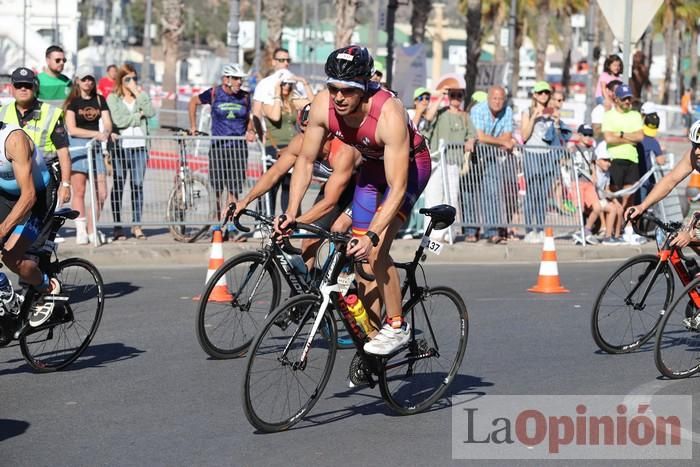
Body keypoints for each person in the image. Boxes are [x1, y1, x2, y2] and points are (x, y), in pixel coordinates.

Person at [278, 45, 432, 355]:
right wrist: (292, 212)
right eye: (333, 87)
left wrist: (374, 234)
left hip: (410, 168)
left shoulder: (388, 112)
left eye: (347, 90)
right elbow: (305, 161)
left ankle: (398, 326)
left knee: (374, 251)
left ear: (364, 88)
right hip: (372, 169)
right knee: (361, 260)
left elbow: (398, 186)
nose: (338, 97)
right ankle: (373, 339)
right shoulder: (323, 106)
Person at [236, 109, 361, 270]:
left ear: (327, 132)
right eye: (302, 130)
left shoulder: (343, 151)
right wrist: (245, 201)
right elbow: (275, 172)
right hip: (336, 187)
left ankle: (347, 274)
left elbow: (330, 202)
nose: (305, 136)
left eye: (310, 131)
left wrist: (295, 224)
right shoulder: (302, 142)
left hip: (362, 188)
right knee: (309, 240)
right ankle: (306, 292)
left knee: (339, 227)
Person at [0, 122, 61, 327]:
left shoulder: (13, 140)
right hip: (5, 195)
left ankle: (47, 286)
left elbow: (29, 197)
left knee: (11, 257)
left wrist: (2, 230)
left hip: (37, 197)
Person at [188, 64, 255, 241]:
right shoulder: (214, 93)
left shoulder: (246, 97)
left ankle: (231, 226)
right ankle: (217, 226)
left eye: (241, 79)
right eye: (237, 78)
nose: (240, 82)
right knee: (217, 189)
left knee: (233, 190)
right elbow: (193, 102)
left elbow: (249, 118)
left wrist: (251, 130)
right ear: (226, 79)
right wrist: (193, 126)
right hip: (218, 147)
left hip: (238, 149)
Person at [0, 67, 72, 208]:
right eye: (18, 85)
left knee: (35, 230)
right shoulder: (2, 112)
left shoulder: (51, 113)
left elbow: (63, 152)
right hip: (10, 177)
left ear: (35, 87)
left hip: (43, 177)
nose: (23, 89)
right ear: (12, 88)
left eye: (27, 85)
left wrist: (66, 184)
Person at [628, 120, 700, 249]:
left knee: (691, 235)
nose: (697, 151)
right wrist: (642, 206)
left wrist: (692, 233)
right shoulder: (693, 157)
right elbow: (670, 180)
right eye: (695, 145)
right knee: (684, 239)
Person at [64, 65, 112, 245]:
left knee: (102, 192)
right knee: (80, 190)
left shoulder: (100, 100)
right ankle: (81, 229)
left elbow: (107, 122)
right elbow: (72, 128)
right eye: (84, 79)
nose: (88, 82)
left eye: (90, 79)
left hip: (96, 148)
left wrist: (107, 131)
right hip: (78, 147)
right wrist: (95, 134)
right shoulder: (73, 102)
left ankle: (93, 227)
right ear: (78, 80)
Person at [106, 64, 155, 240]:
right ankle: (117, 225)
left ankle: (137, 225)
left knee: (137, 186)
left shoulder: (141, 96)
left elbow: (150, 112)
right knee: (119, 185)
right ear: (120, 80)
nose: (132, 82)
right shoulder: (113, 98)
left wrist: (139, 94)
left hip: (140, 147)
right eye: (128, 79)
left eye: (134, 78)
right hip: (121, 147)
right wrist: (137, 116)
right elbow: (119, 121)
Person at [422, 87, 475, 242]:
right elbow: (428, 117)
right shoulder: (441, 112)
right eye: (453, 95)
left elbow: (472, 135)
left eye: (459, 95)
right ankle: (431, 234)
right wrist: (441, 97)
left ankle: (446, 233)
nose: (456, 98)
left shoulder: (465, 116)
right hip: (437, 159)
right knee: (433, 196)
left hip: (454, 161)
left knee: (451, 198)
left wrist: (471, 140)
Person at [261, 74, 313, 216]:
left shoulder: (293, 102)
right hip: (275, 147)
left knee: (288, 186)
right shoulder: (268, 103)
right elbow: (276, 116)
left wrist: (304, 83)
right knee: (271, 186)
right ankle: (266, 219)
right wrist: (277, 93)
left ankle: (287, 218)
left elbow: (313, 105)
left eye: (289, 84)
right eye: (284, 84)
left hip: (291, 147)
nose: (287, 87)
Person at [469, 85, 514, 244]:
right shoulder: (478, 110)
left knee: (493, 193)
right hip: (474, 154)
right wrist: (502, 141)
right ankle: (470, 231)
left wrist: (501, 140)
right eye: (494, 98)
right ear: (488, 98)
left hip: (492, 155)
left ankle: (492, 231)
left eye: (501, 98)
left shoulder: (507, 111)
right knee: (470, 193)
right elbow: (480, 136)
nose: (498, 102)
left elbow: (508, 135)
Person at [602, 83, 645, 244]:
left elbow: (640, 136)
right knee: (614, 197)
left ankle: (626, 230)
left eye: (629, 99)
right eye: (625, 99)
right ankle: (610, 231)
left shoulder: (635, 115)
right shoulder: (609, 115)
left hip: (631, 159)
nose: (628, 102)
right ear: (617, 99)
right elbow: (609, 138)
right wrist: (628, 136)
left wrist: (620, 133)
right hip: (614, 159)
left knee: (629, 197)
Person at [575, 142, 624, 245]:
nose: (608, 163)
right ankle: (601, 231)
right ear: (597, 161)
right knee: (610, 207)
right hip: (592, 200)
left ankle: (610, 236)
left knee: (616, 207)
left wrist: (615, 198)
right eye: (605, 160)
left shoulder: (607, 173)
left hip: (600, 199)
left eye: (609, 161)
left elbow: (606, 190)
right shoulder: (594, 171)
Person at [252, 48, 307, 123]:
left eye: (288, 60)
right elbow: (256, 113)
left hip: (293, 130)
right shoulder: (264, 84)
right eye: (282, 60)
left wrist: (305, 83)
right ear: (273, 62)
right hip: (270, 130)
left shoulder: (297, 82)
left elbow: (309, 105)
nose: (286, 63)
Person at [636, 102, 666, 203]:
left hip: (635, 176)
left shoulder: (636, 135)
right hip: (645, 180)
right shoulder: (653, 142)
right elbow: (661, 161)